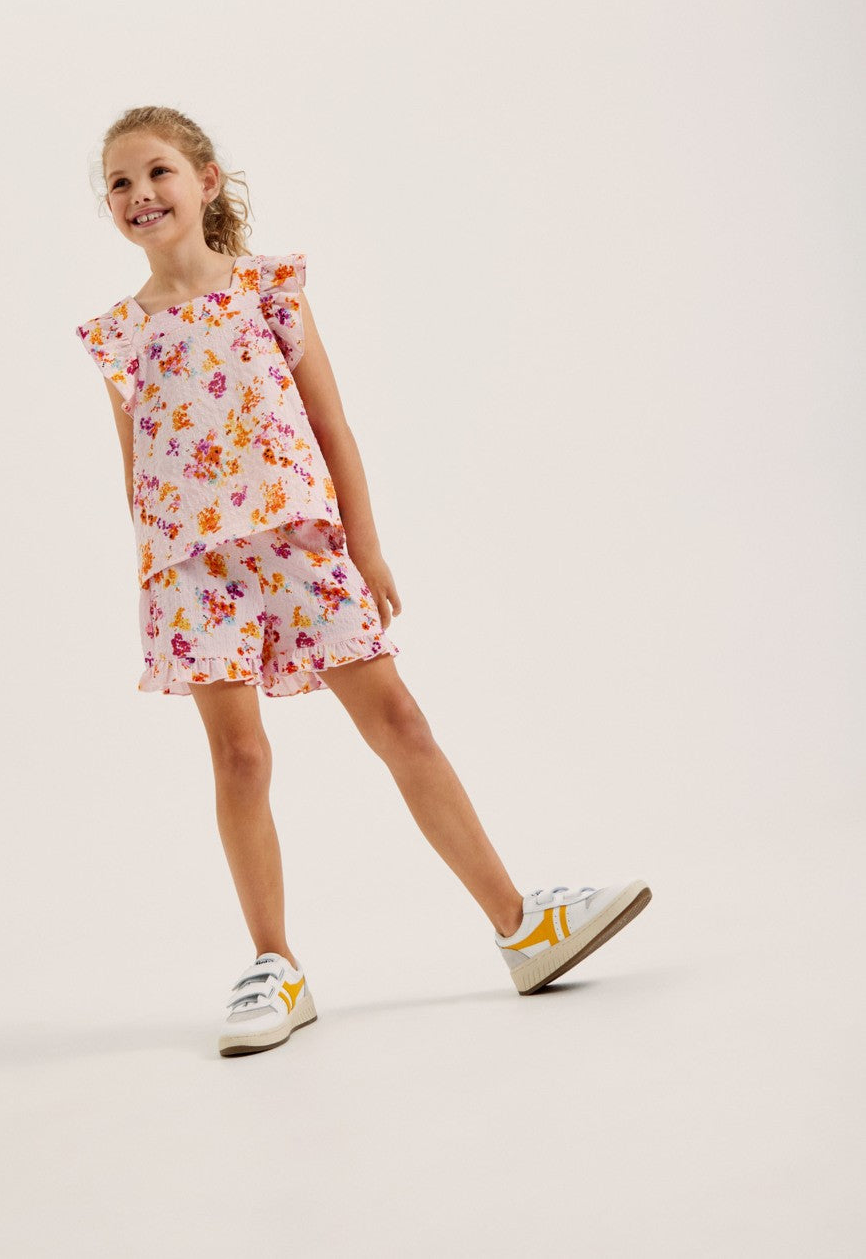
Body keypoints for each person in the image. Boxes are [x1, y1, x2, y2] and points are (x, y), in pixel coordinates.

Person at [75, 105, 652, 1058]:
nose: (140, 194)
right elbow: (136, 466)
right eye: (120, 183)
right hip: (197, 572)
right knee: (240, 760)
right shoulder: (118, 336)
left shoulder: (267, 288)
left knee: (400, 723)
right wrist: (154, 579)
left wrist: (366, 549)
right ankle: (274, 964)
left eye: (158, 172)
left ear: (205, 180)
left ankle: (520, 926)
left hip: (303, 550)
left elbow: (330, 426)